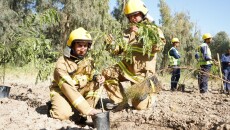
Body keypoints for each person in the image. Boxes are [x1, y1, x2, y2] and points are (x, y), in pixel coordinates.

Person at [103, 0, 165, 110]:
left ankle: (152, 91)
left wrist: (141, 34)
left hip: (142, 74)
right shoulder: (127, 32)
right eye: (130, 16)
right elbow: (118, 50)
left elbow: (159, 46)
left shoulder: (153, 29)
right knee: (107, 73)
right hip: (127, 69)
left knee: (139, 106)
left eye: (135, 15)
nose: (133, 18)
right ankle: (120, 101)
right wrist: (111, 44)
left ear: (142, 13)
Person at [48, 27, 104, 121]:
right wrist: (87, 109)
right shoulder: (61, 64)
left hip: (79, 92)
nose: (83, 49)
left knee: (97, 83)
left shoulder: (88, 61)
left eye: (85, 46)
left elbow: (92, 74)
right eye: (79, 45)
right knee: (64, 116)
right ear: (72, 46)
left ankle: (84, 112)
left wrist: (97, 77)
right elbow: (68, 87)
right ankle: (53, 106)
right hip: (63, 92)